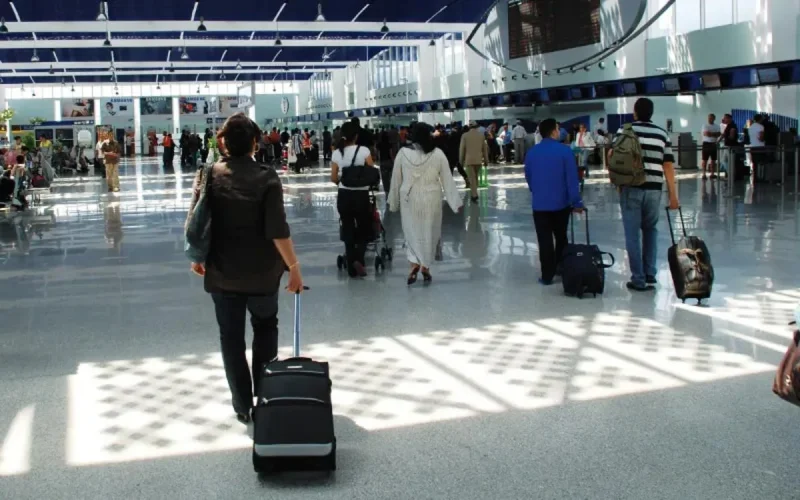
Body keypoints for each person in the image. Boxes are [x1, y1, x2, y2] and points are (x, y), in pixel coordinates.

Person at [187, 112, 303, 425]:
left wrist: (197, 257)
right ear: (255, 142)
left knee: (231, 338)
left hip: (222, 273)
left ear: (223, 142)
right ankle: (264, 396)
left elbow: (197, 220)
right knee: (265, 328)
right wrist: (293, 267)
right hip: (263, 273)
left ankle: (241, 405)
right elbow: (277, 230)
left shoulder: (208, 174)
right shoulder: (267, 177)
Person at [612, 98, 679, 291]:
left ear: (635, 112)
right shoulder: (662, 134)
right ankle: (650, 274)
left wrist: (617, 182)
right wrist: (673, 196)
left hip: (631, 187)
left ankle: (638, 279)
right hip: (654, 190)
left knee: (632, 234)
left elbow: (613, 157)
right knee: (651, 230)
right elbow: (668, 165)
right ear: (651, 113)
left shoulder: (624, 131)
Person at [388, 123, 463, 285]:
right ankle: (425, 267)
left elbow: (396, 180)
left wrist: (393, 202)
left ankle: (414, 265)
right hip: (432, 198)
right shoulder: (438, 153)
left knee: (411, 231)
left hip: (409, 198)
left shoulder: (403, 153)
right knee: (430, 232)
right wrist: (455, 202)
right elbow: (447, 179)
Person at [524, 118, 584, 285]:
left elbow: (528, 176)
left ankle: (546, 275)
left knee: (544, 240)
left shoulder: (532, 153)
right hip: (561, 204)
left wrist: (536, 191)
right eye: (557, 129)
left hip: (540, 205)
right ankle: (561, 267)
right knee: (561, 237)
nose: (559, 132)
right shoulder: (565, 151)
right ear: (553, 132)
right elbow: (572, 180)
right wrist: (577, 202)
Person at [330, 121, 377, 278]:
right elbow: (371, 171)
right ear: (356, 136)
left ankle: (351, 266)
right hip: (361, 196)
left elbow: (333, 178)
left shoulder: (337, 153)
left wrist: (342, 182)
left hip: (344, 195)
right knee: (364, 228)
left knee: (348, 228)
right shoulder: (364, 150)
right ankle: (359, 259)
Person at [460, 120, 489, 202]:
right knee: (475, 177)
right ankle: (475, 192)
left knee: (471, 178)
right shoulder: (481, 136)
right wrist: (486, 160)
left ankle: (474, 194)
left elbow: (462, 149)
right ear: (476, 127)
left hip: (469, 160)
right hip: (478, 160)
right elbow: (485, 150)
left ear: (469, 127)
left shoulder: (465, 136)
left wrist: (461, 161)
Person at [701, 113, 721, 179]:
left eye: (711, 118)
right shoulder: (705, 125)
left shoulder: (717, 126)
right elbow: (706, 134)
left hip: (713, 143)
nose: (710, 119)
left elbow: (719, 134)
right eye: (709, 118)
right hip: (706, 144)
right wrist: (714, 134)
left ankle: (712, 173)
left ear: (714, 119)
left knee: (713, 160)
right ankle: (704, 174)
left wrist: (711, 134)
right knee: (705, 160)